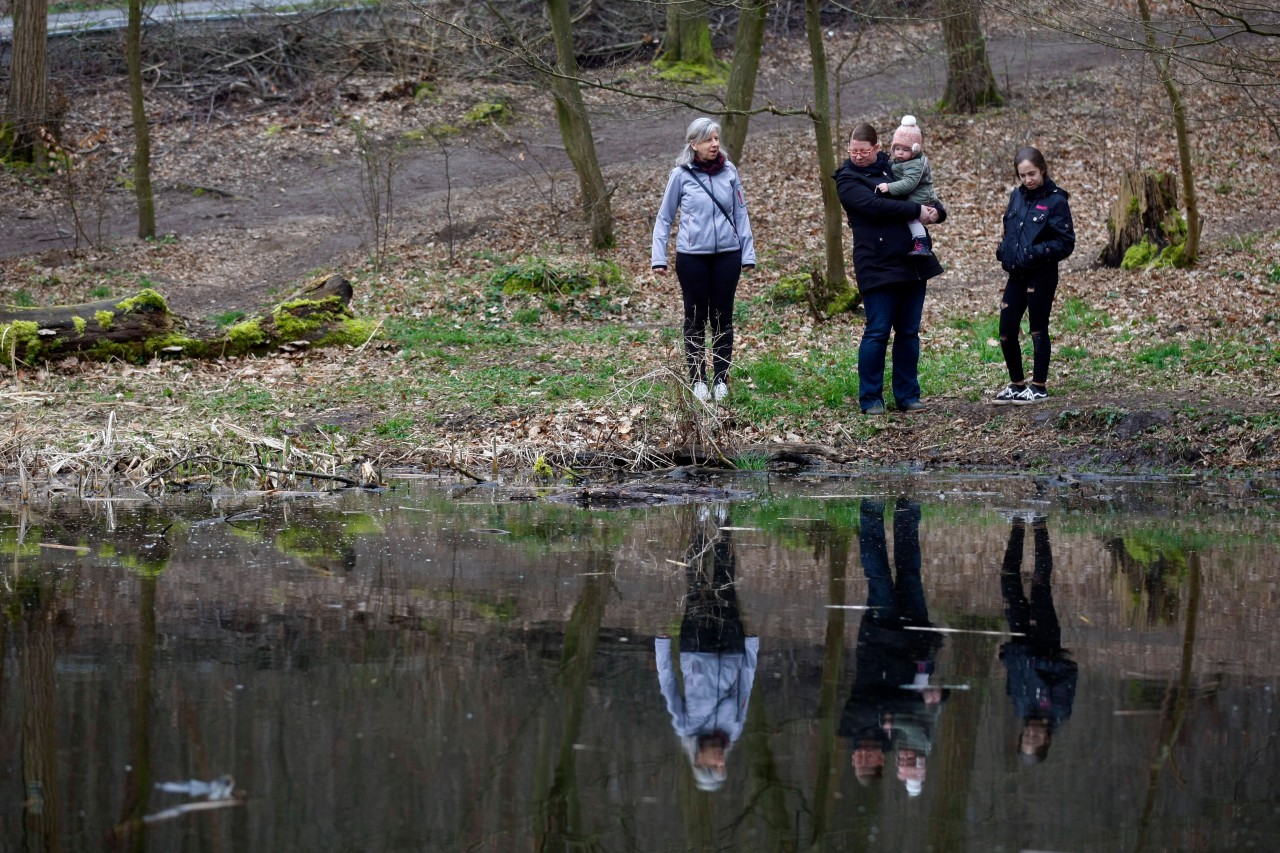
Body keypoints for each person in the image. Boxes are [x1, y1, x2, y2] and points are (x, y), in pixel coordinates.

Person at [834, 123, 947, 415]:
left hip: (913, 260)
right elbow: (874, 206)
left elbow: (919, 185)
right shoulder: (847, 180)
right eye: (852, 151)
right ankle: (871, 398)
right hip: (876, 263)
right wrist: (915, 211)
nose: (857, 156)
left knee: (908, 331)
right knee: (877, 331)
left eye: (863, 151)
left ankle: (907, 395)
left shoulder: (894, 165)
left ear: (876, 148)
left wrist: (936, 210)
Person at [839, 498, 947, 797]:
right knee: (911, 572)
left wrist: (900, 708)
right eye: (871, 763)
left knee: (878, 576)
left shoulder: (850, 727)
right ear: (881, 763)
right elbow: (922, 706)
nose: (865, 757)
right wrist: (919, 701)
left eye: (861, 762)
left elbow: (875, 701)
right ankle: (907, 510)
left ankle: (871, 512)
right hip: (915, 643)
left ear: (853, 758)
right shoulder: (896, 739)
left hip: (879, 636)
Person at [651, 117, 756, 404]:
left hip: (727, 256)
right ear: (693, 144)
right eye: (708, 139)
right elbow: (664, 218)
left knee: (722, 318)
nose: (714, 144)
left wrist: (748, 254)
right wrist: (658, 257)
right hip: (691, 258)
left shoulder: (730, 172)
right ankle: (698, 379)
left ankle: (721, 379)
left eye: (716, 138)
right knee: (696, 319)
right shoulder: (680, 175)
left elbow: (740, 214)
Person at [655, 505, 759, 792]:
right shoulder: (734, 729)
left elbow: (668, 684)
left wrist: (661, 646)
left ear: (699, 761)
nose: (722, 761)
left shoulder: (685, 727)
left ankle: (700, 525)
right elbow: (745, 686)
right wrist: (752, 646)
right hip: (733, 649)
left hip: (694, 649)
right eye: (722, 767)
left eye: (715, 767)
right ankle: (723, 522)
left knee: (696, 584)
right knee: (725, 583)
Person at [991, 146, 1076, 405]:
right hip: (1016, 274)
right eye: (1022, 175)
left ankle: (1039, 386)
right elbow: (1009, 230)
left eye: (1032, 174)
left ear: (1043, 170)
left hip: (1042, 274)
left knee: (1038, 330)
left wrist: (1033, 253)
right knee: (1006, 331)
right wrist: (1003, 250)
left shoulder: (1056, 200)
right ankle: (1017, 384)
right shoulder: (1017, 197)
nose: (1028, 180)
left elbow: (1065, 242)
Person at [998, 512, 1078, 765]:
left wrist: (1007, 658)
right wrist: (1038, 662)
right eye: (1035, 738)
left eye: (1027, 737)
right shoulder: (1059, 710)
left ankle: (1018, 523)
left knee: (1008, 577)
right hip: (1045, 640)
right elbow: (1068, 671)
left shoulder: (1020, 708)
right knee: (1039, 582)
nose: (1032, 733)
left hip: (1020, 640)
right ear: (1047, 739)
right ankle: (1040, 525)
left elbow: (1014, 679)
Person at [875, 115, 941, 257]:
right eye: (897, 148)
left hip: (921, 198)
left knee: (912, 218)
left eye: (904, 150)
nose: (899, 152)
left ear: (914, 150)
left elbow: (909, 183)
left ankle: (921, 244)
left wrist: (889, 187)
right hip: (918, 196)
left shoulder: (914, 164)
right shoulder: (904, 161)